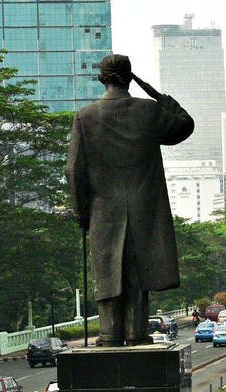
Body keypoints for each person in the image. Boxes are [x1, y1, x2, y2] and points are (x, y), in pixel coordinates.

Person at [66, 54, 194, 346]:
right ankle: (136, 333)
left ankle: (109, 335)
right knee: (136, 272)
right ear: (129, 77)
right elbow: (184, 125)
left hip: (102, 210)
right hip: (142, 208)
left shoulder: (85, 117)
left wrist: (81, 211)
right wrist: (157, 95)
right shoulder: (148, 111)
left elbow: (73, 169)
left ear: (102, 78)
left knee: (107, 271)